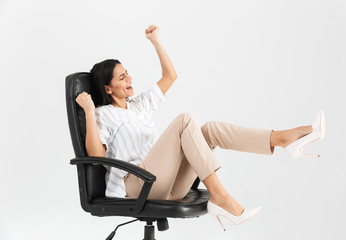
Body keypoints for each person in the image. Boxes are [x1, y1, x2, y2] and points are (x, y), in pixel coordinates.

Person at [75, 24, 325, 230]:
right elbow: (96, 158)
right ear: (107, 88)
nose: (130, 78)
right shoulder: (102, 114)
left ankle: (282, 139)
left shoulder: (138, 105)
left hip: (163, 183)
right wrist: (88, 110)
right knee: (185, 121)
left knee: (210, 130)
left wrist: (155, 42)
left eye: (128, 73)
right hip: (136, 186)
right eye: (122, 77)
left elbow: (170, 77)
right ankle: (221, 197)